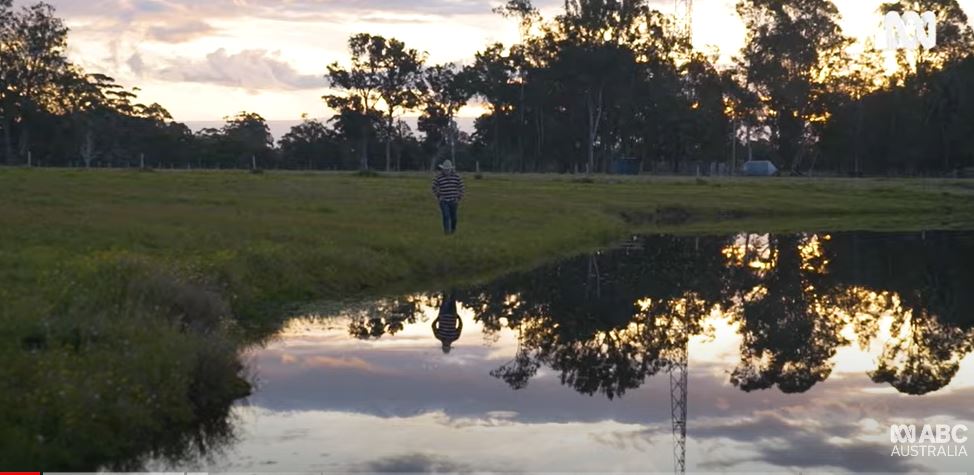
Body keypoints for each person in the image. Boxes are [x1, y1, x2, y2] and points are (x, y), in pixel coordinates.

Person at [431, 160, 464, 235]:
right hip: (443, 200)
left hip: (453, 200)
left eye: (448, 170)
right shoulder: (438, 177)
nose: (446, 171)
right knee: (446, 216)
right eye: (445, 170)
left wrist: (458, 197)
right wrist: (438, 195)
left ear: (451, 169)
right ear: (443, 169)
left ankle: (453, 230)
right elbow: (433, 187)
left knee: (454, 217)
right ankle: (447, 233)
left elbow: (461, 187)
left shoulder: (457, 177)